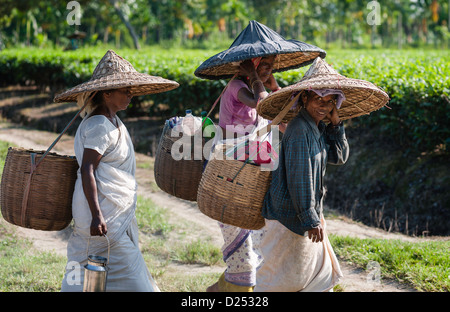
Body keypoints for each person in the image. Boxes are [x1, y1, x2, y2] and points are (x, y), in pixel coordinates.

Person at [55, 50, 178, 292]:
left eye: (131, 88)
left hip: (104, 214)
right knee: (137, 281)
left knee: (84, 275)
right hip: (101, 216)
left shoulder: (111, 120)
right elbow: (88, 170)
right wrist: (97, 215)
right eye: (125, 89)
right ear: (107, 92)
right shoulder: (100, 124)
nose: (130, 94)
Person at [255, 88, 348, 292]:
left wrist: (336, 124)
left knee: (309, 277)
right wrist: (310, 219)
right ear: (304, 98)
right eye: (317, 99)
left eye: (329, 101)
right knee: (278, 281)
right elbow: (300, 176)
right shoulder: (299, 129)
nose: (323, 106)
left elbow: (339, 156)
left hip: (303, 214)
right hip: (288, 217)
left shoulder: (317, 127)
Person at [206, 55, 281, 292]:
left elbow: (282, 110)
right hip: (230, 175)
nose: (269, 71)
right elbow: (264, 105)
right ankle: (231, 289)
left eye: (272, 67)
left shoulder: (254, 86)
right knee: (242, 246)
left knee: (255, 242)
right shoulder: (237, 86)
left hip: (250, 175)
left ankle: (218, 290)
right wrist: (258, 79)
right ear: (251, 66)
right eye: (264, 66)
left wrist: (273, 85)